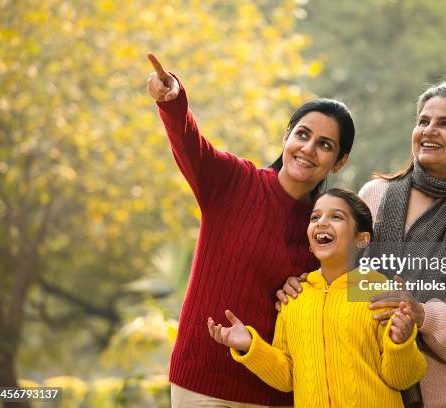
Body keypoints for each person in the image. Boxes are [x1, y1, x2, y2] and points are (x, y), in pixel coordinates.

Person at [278, 82, 446, 407]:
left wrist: (422, 315)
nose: (429, 131)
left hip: (442, 399)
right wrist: (303, 286)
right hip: (362, 392)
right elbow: (337, 276)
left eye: (445, 124)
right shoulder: (374, 194)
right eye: (423, 121)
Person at [146, 53, 355, 407]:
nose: (308, 149)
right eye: (302, 135)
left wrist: (307, 289)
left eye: (325, 144)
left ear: (339, 162)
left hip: (273, 392)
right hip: (201, 382)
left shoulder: (326, 228)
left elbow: (349, 292)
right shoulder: (234, 182)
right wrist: (173, 98)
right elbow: (190, 143)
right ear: (286, 136)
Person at [208, 188, 427, 407]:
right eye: (315, 217)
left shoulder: (380, 293)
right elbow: (287, 377)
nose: (321, 222)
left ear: (361, 239)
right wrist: (250, 345)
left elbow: (402, 379)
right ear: (311, 245)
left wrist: (401, 343)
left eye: (336, 216)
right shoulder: (295, 298)